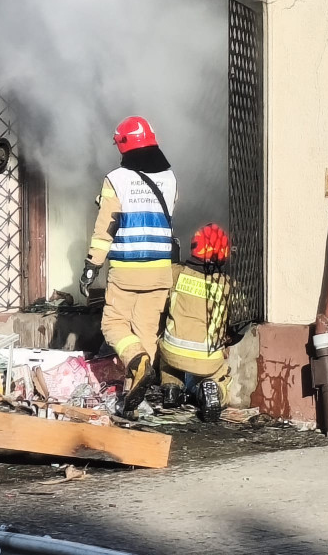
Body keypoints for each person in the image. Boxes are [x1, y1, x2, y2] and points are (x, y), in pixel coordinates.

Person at [79, 116, 177, 415]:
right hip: (161, 269)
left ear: (123, 145)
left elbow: (106, 226)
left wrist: (91, 265)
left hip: (127, 268)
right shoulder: (170, 177)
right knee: (146, 332)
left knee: (113, 325)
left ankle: (136, 360)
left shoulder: (116, 179)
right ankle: (135, 398)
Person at [158, 223, 233, 422]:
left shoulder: (175, 273)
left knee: (164, 345)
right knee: (220, 374)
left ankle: (171, 388)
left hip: (173, 352)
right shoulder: (227, 285)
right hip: (207, 359)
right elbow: (236, 320)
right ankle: (214, 390)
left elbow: (161, 303)